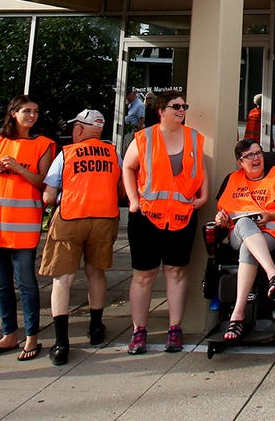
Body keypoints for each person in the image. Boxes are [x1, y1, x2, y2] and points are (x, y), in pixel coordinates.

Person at [121, 91, 209, 355]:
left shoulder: (193, 137)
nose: (182, 110)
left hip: (182, 217)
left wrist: (203, 197)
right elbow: (128, 167)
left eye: (184, 106)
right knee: (144, 275)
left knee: (176, 272)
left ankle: (175, 329)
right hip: (147, 216)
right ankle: (139, 331)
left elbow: (200, 169)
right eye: (176, 106)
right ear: (161, 110)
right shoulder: (145, 138)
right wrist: (133, 200)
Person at [40, 110, 123, 366]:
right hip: (105, 219)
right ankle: (96, 329)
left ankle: (61, 343)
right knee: (96, 273)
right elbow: (120, 189)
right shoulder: (113, 153)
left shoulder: (67, 153)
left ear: (79, 129)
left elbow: (49, 197)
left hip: (71, 217)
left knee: (62, 279)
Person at [0, 95, 55, 362]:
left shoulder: (43, 144)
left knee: (26, 282)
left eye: (35, 111)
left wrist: (17, 168)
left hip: (23, 224)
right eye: (26, 111)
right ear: (13, 113)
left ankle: (32, 335)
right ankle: (9, 333)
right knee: (1, 284)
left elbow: (44, 183)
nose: (32, 116)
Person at [211, 139, 275, 341]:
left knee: (247, 249)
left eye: (258, 153)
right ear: (239, 162)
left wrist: (271, 216)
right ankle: (274, 275)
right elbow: (222, 214)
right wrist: (221, 220)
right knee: (244, 223)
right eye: (249, 156)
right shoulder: (231, 180)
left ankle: (237, 315)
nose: (256, 158)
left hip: (270, 234)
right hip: (238, 232)